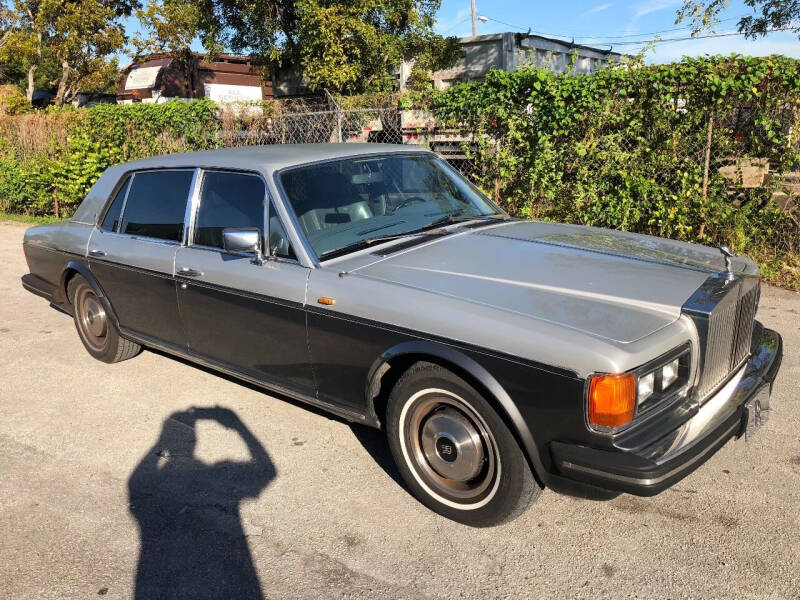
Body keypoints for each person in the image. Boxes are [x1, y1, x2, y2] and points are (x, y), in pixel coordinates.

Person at [128, 407, 275, 599]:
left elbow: (137, 481)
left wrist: (163, 441)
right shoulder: (220, 480)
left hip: (159, 581)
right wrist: (238, 426)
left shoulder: (154, 488)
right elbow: (268, 471)